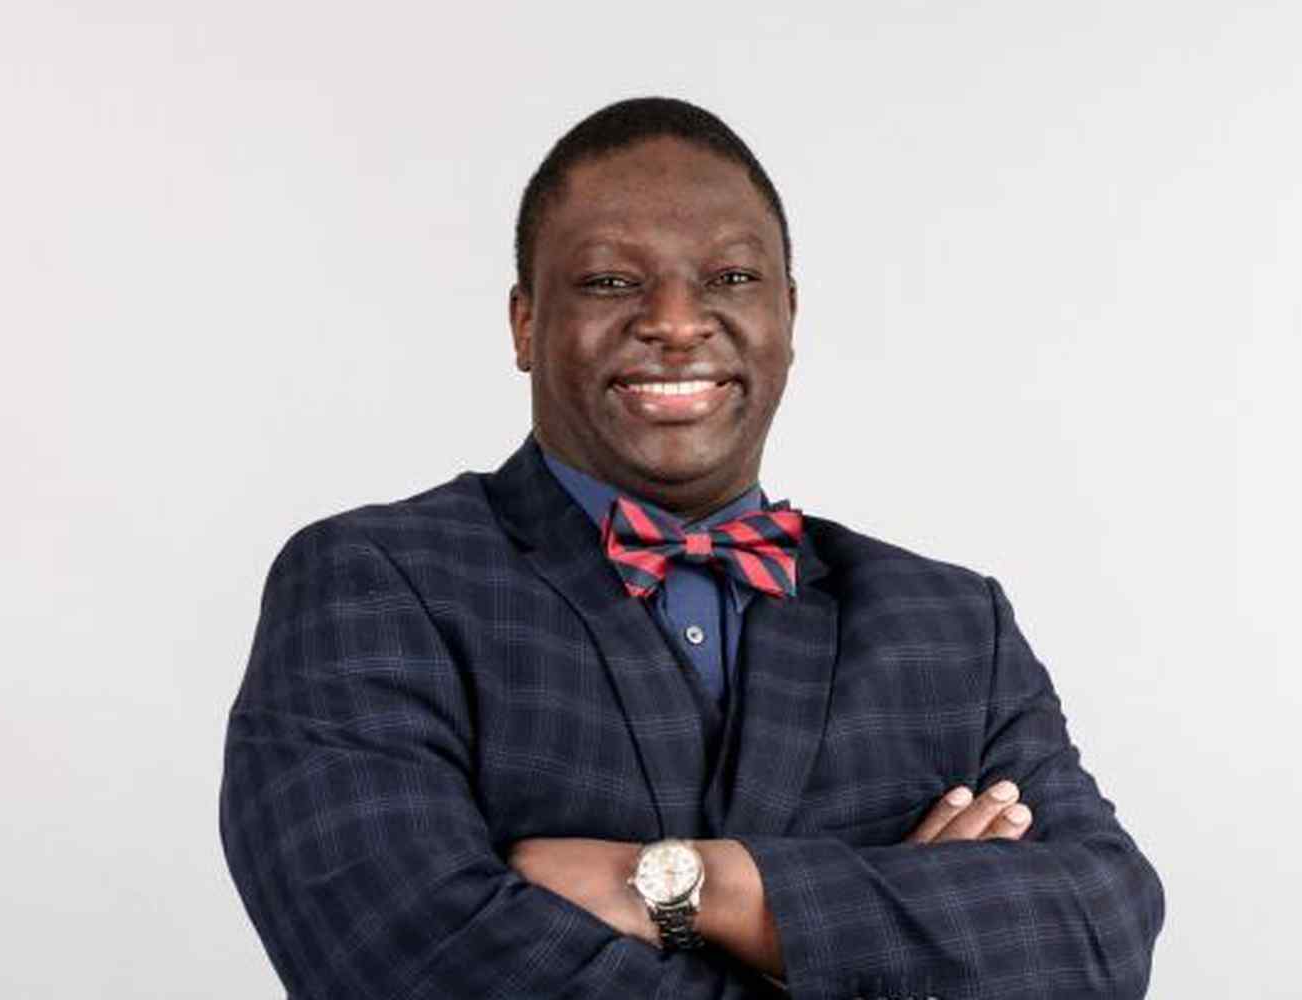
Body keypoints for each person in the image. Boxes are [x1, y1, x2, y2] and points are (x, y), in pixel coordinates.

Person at [220, 96, 1165, 1000]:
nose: (675, 321)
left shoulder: (955, 627)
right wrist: (898, 952)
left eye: (730, 278)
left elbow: (1100, 936)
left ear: (787, 315)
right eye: (609, 282)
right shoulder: (373, 586)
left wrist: (693, 889)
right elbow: (407, 967)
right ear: (524, 323)